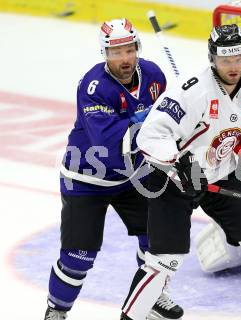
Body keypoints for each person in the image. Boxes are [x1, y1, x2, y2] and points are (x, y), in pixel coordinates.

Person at [119, 24, 241, 320]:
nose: (232, 66)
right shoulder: (191, 92)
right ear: (212, 59)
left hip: (221, 176)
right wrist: (177, 161)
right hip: (173, 180)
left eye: (238, 58)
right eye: (225, 60)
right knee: (164, 261)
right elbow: (149, 136)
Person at [44, 18, 183, 320]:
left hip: (132, 174)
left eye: (129, 49)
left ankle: (150, 298)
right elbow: (108, 144)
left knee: (158, 244)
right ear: (105, 53)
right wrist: (148, 118)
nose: (125, 58)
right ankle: (56, 311)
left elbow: (167, 128)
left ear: (137, 48)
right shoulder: (92, 86)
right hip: (87, 177)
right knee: (77, 258)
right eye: (116, 51)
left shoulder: (155, 76)